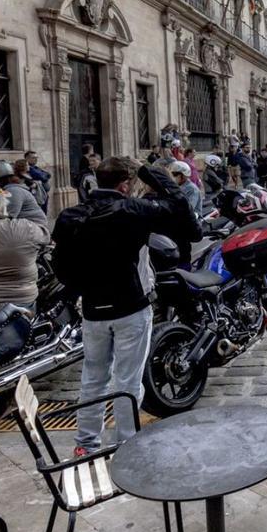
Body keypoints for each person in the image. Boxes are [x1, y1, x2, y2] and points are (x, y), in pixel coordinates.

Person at [52, 157, 199, 456]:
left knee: (92, 378)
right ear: (124, 184)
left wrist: (85, 289)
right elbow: (179, 204)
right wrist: (150, 172)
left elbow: (60, 267)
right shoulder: (132, 211)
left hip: (93, 309)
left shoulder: (70, 216)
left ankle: (86, 443)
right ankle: (126, 442)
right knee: (127, 380)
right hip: (130, 305)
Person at [0, 160, 48, 226]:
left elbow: (8, 217)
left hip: (35, 227)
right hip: (25, 226)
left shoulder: (13, 191)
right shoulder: (7, 190)